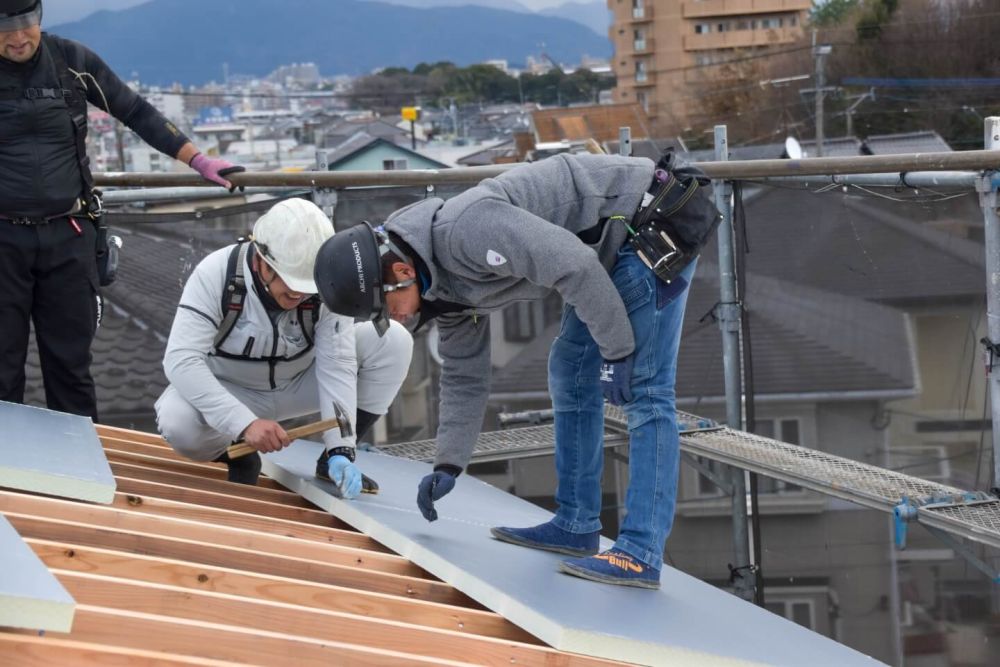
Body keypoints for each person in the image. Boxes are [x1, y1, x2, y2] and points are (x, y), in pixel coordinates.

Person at [314, 153, 706, 589]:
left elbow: (572, 264)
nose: (398, 319)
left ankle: (640, 552)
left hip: (648, 222)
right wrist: (448, 464)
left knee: (645, 390)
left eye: (388, 309)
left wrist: (616, 353)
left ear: (402, 273)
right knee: (570, 369)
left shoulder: (466, 232)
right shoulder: (443, 289)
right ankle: (576, 525)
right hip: (604, 250)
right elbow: (464, 374)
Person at [0, 0, 244, 421]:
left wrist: (197, 160)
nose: (18, 37)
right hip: (3, 239)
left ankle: (81, 471)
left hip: (69, 232)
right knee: (2, 371)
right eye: (6, 29)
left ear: (39, 18)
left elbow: (134, 111)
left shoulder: (71, 61)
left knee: (71, 368)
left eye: (26, 25)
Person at [155, 198, 413, 492]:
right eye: (291, 285)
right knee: (178, 424)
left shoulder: (328, 283)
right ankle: (236, 454)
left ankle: (330, 461)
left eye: (306, 289)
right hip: (234, 390)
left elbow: (336, 365)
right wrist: (243, 424)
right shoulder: (217, 273)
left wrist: (341, 449)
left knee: (393, 341)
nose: (298, 295)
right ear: (260, 262)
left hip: (300, 382)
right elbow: (181, 360)